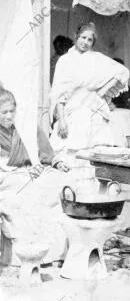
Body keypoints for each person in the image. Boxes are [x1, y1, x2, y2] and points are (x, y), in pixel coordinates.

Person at [50, 23, 129, 194]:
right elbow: (58, 93)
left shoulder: (97, 59)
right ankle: (73, 192)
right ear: (76, 37)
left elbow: (121, 72)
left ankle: (95, 193)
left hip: (93, 110)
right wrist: (62, 119)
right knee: (73, 151)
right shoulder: (65, 61)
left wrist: (103, 92)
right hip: (73, 110)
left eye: (90, 40)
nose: (86, 42)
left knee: (93, 152)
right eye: (83, 38)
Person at [0, 88, 70, 262]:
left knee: (60, 186)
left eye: (12, 111)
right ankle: (28, 257)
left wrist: (57, 163)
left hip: (29, 173)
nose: (9, 116)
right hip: (6, 177)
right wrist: (19, 170)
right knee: (27, 193)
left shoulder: (24, 128)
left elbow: (45, 153)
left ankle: (55, 253)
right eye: (4, 112)